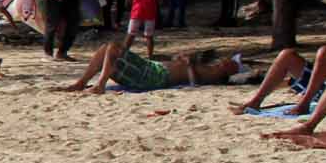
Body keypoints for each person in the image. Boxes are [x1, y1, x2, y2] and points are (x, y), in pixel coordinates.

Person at [58, 39, 246, 95]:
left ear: (231, 71)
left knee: (113, 47)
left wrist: (187, 65)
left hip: (154, 76)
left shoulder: (214, 75)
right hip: (153, 69)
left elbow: (193, 80)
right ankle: (82, 82)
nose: (225, 61)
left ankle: (99, 84)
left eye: (230, 63)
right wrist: (182, 59)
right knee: (105, 47)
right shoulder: (213, 68)